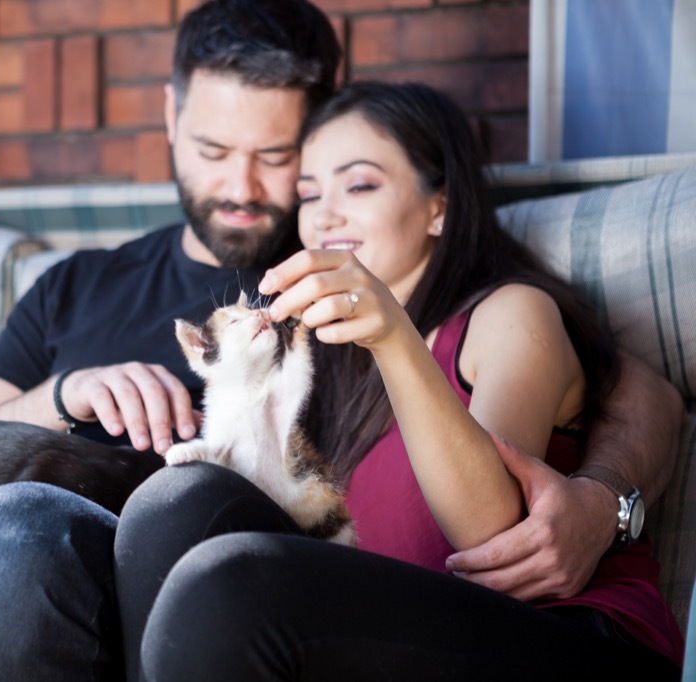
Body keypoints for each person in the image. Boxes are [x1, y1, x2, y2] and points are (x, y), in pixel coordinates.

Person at [0, 1, 680, 680]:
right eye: (210, 149)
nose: (245, 186)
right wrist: (64, 393)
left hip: (129, 605)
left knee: (31, 519)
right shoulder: (80, 283)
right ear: (166, 115)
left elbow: (620, 376)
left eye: (279, 157)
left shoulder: (328, 282)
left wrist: (607, 499)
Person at [110, 80, 685, 680]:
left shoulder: (510, 314)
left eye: (359, 185)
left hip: (568, 639)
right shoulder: (323, 364)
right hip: (402, 642)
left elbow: (486, 533)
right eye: (309, 195)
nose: (326, 213)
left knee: (225, 588)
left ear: (439, 206)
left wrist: (393, 335)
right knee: (170, 508)